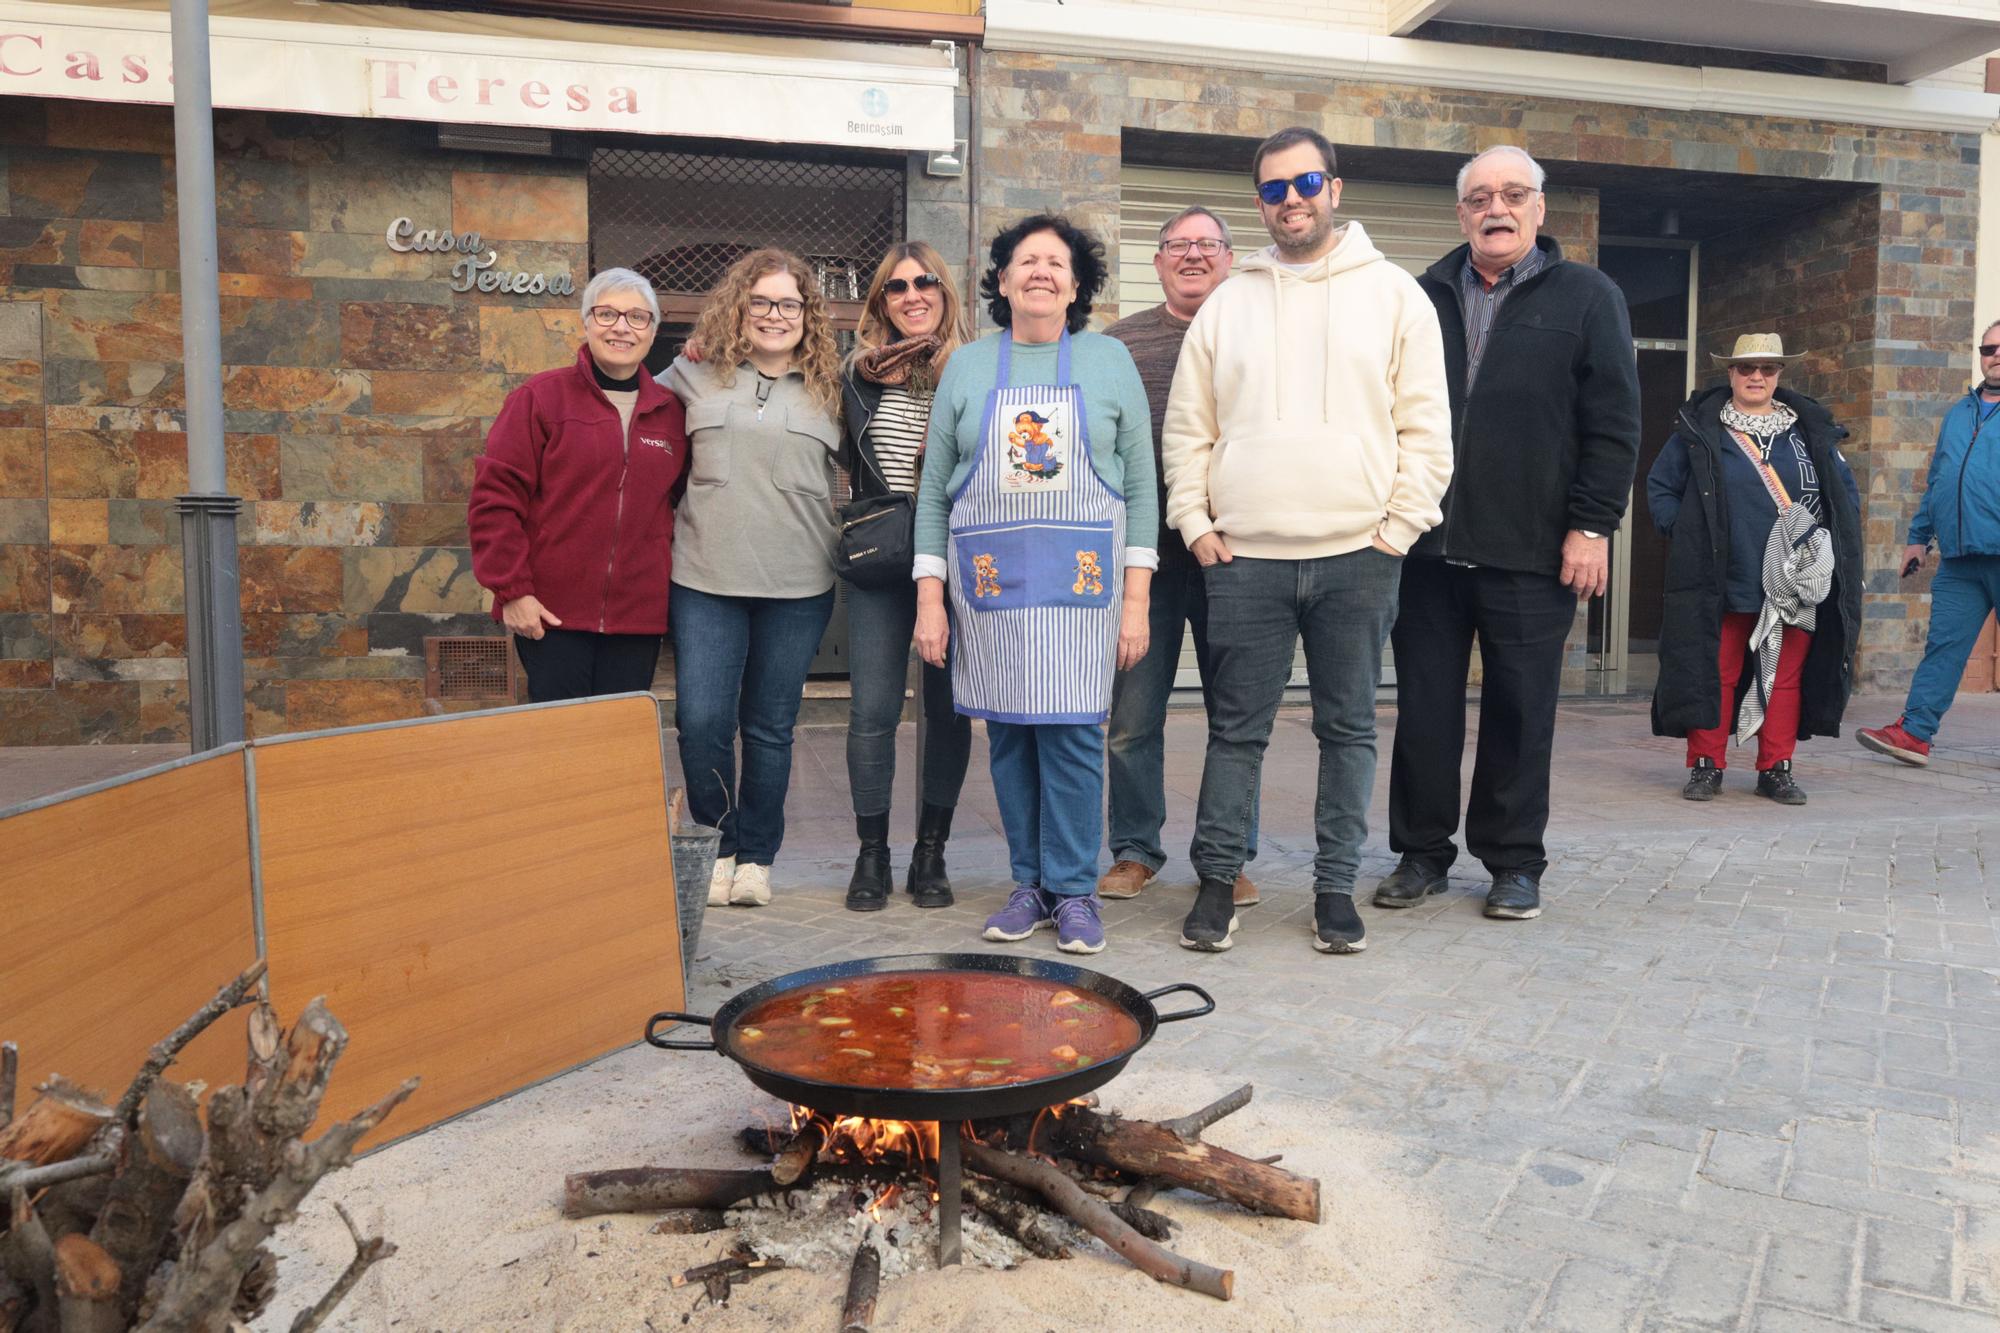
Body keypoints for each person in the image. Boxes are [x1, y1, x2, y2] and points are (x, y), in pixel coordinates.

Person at [1162, 126, 1454, 956]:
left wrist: (1396, 530)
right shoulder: (1229, 301)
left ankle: (1333, 890)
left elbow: (1427, 429)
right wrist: (1196, 523)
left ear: (1335, 188)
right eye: (1272, 188)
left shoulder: (1395, 295)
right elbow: (1189, 429)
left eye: (1305, 182)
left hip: (1357, 556)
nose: (1290, 199)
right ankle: (1218, 881)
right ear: (1260, 201)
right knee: (1235, 731)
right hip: (1245, 558)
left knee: (1349, 729)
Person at [1378, 145, 1640, 924]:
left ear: (1539, 209)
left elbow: (1616, 423)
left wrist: (1592, 525)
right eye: (1481, 197)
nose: (1497, 208)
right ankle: (1422, 852)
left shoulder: (1590, 296)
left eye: (1513, 194)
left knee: (1522, 712)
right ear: (1461, 213)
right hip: (1424, 549)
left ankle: (1514, 861)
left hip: (1533, 550)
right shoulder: (1418, 296)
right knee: (1423, 709)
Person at [912, 214, 1157, 955]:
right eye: (1026, 261)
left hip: (1085, 586)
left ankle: (1075, 892)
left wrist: (1137, 601)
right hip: (991, 586)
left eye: (1056, 262)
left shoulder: (1110, 362)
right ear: (1003, 279)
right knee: (1011, 737)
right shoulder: (967, 366)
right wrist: (931, 597)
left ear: (1076, 284)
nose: (1040, 272)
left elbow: (1142, 487)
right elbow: (933, 493)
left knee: (1077, 735)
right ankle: (1030, 885)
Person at [661, 249, 841, 909]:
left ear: (807, 316)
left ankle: (757, 856)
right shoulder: (691, 375)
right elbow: (625, 410)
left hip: (798, 585)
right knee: (703, 718)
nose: (774, 315)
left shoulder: (832, 385)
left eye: (789, 304)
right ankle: (716, 844)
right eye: (761, 302)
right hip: (706, 577)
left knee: (770, 726)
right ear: (739, 307)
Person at [1099, 206, 1264, 909]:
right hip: (1147, 555)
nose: (1192, 255)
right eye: (1177, 245)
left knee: (1238, 715)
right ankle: (1135, 849)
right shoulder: (1119, 345)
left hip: (1240, 550)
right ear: (1157, 260)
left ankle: (1227, 855)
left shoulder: (1258, 333)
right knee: (1134, 712)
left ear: (1229, 258)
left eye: (1207, 244)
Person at [1647, 334, 1861, 804]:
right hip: (1725, 575)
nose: (1756, 377)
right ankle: (1707, 765)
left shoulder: (1809, 431)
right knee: (1715, 673)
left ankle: (1775, 769)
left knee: (1783, 679)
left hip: (1795, 579)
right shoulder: (1702, 428)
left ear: (1780, 374)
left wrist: (1833, 552)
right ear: (1731, 374)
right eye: (1747, 369)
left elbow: (1844, 495)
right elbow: (1661, 487)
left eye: (1767, 368)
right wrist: (1685, 538)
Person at [469, 268, 688, 702]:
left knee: (617, 743)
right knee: (561, 745)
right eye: (607, 314)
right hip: (550, 615)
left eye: (637, 317)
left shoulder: (671, 413)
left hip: (637, 618)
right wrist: (513, 591)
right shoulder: (541, 398)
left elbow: (681, 502)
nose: (622, 327)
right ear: (586, 321)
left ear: (653, 330)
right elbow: (495, 502)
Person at [839, 242, 975, 912]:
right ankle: (873, 854)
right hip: (881, 559)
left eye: (926, 282)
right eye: (896, 288)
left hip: (957, 562)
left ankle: (932, 852)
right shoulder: (855, 376)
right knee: (871, 712)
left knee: (946, 712)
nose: (913, 295)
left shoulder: (976, 372)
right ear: (881, 304)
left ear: (945, 293)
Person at [1857, 323, 2000, 768]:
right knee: (1943, 646)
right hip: (1960, 558)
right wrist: (1918, 538)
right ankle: (1915, 733)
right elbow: (1938, 479)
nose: (1996, 355)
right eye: (1988, 348)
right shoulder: (1961, 411)